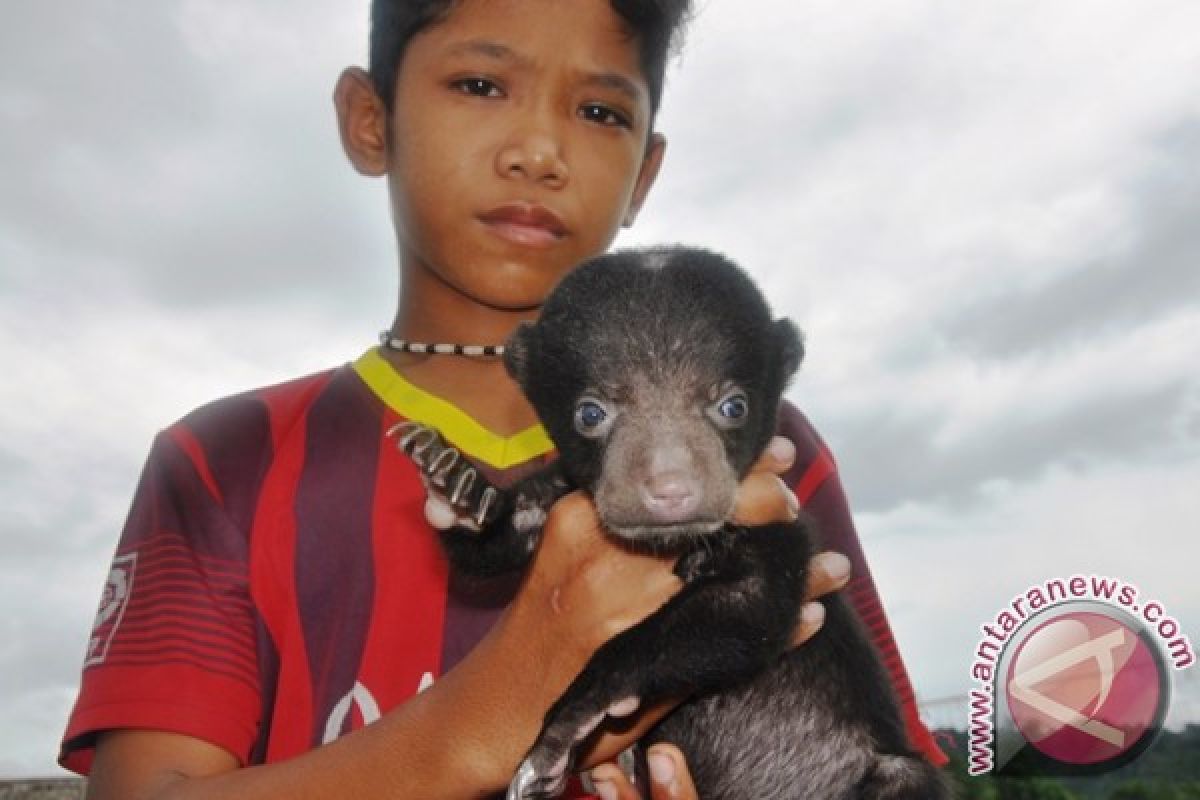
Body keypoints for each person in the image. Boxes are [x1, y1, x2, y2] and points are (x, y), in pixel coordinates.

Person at [59, 0, 946, 797]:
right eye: (482, 83)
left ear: (645, 172)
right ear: (372, 120)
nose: (539, 151)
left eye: (600, 111)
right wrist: (490, 713)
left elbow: (865, 746)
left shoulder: (765, 446)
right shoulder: (228, 459)